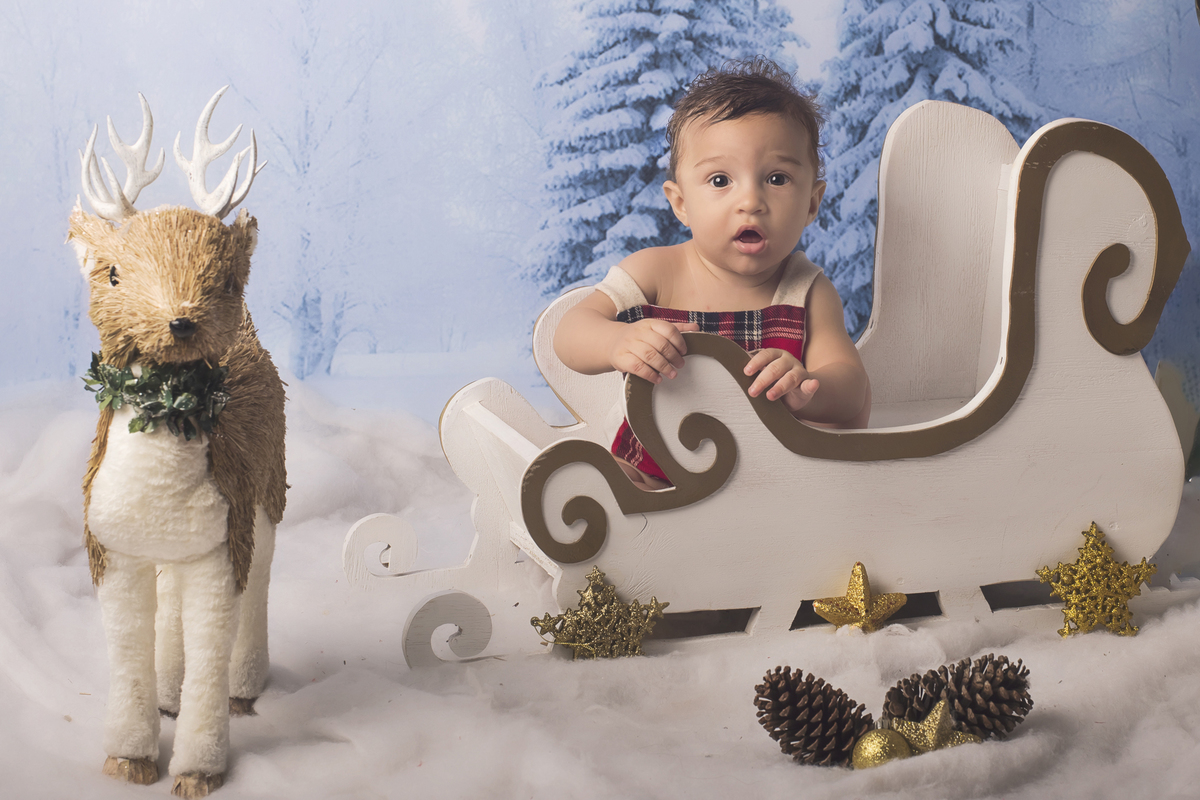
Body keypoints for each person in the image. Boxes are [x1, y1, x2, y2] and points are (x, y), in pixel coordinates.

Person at [553, 57, 870, 490]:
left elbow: (851, 388)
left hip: (773, 482)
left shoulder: (806, 290)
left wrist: (807, 384)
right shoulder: (657, 270)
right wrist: (617, 341)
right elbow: (569, 333)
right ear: (680, 202)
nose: (750, 201)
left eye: (776, 178)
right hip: (654, 470)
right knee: (602, 492)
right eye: (721, 180)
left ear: (812, 203)